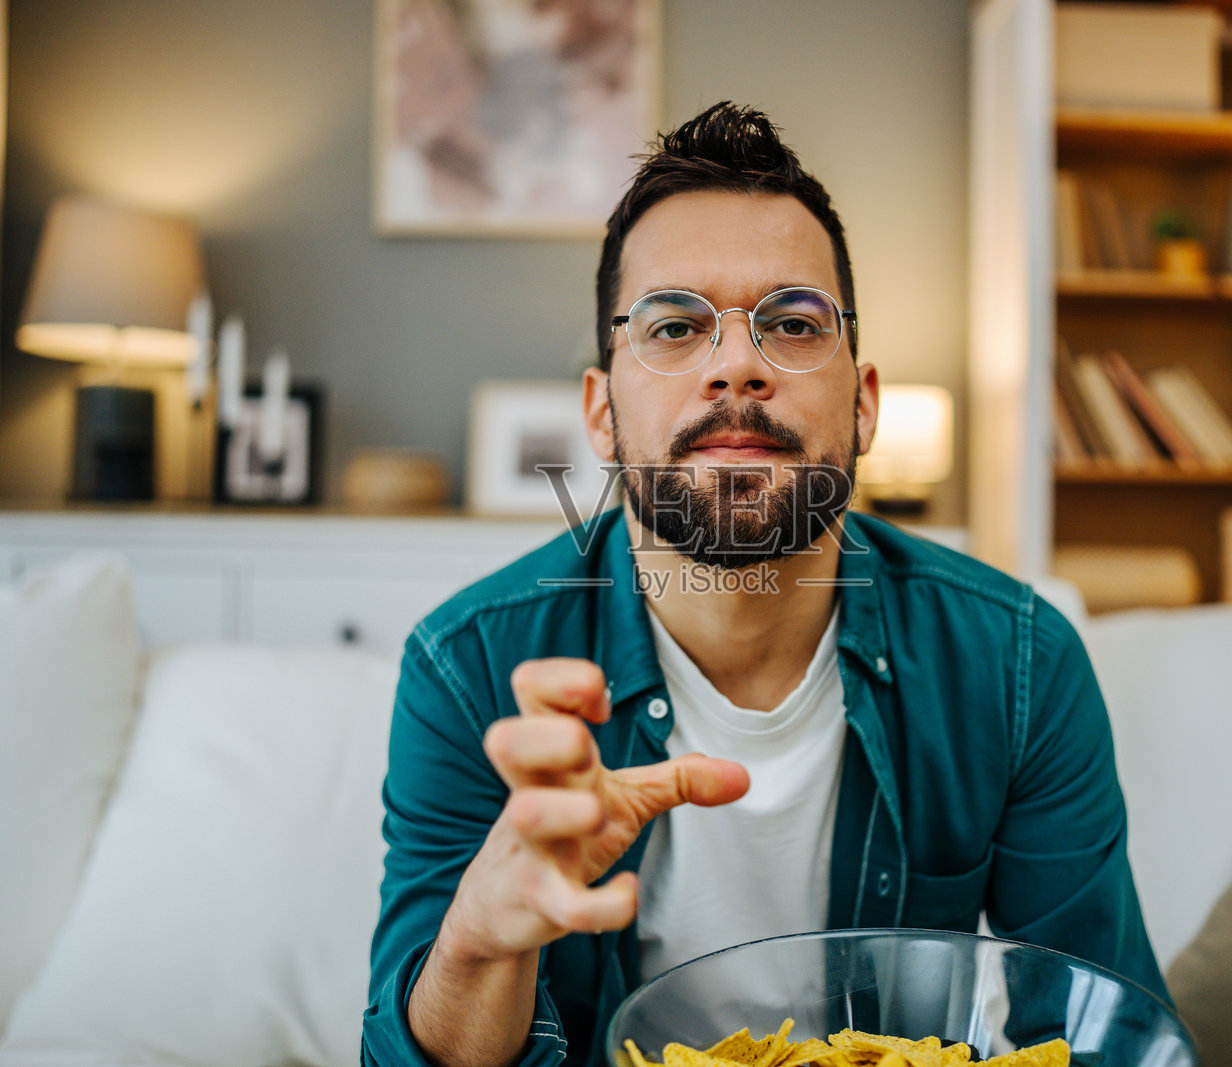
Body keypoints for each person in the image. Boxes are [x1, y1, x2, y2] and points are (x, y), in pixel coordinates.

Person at [364, 101, 1166, 1067]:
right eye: (672, 326)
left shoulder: (1022, 663)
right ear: (602, 412)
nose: (736, 363)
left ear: (865, 403)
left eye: (791, 322)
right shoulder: (469, 669)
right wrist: (479, 944)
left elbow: (1104, 1034)